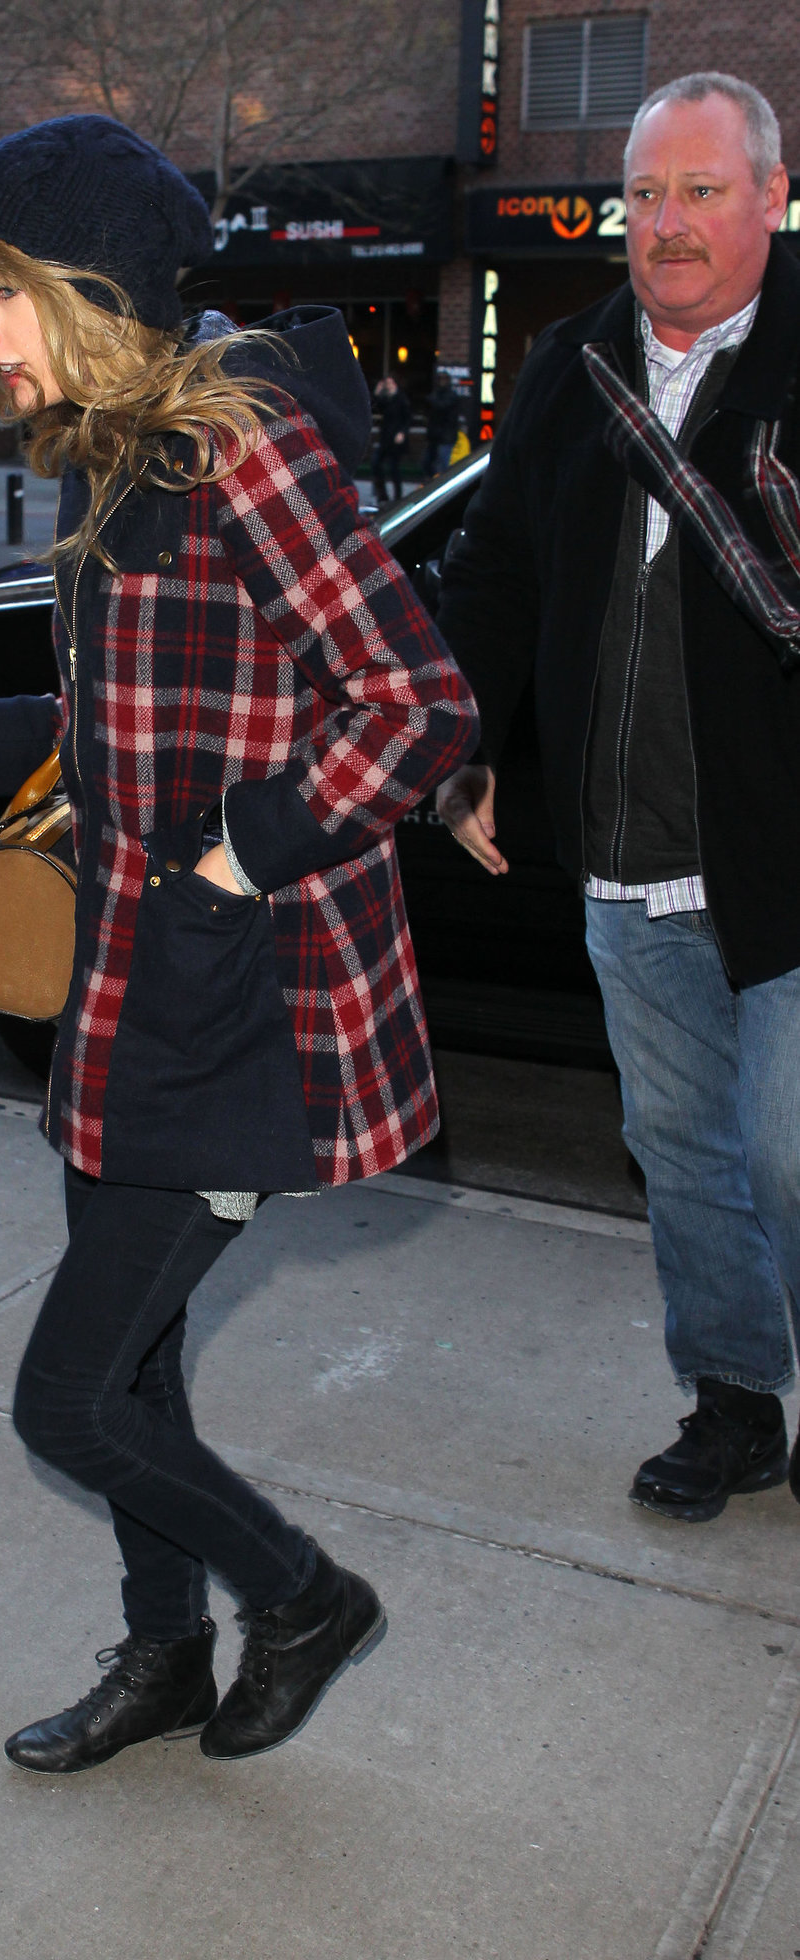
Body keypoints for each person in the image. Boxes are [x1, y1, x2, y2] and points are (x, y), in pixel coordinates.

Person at [0, 115, 478, 1774]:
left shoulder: (242, 448)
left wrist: (238, 855)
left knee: (65, 1401)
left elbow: (419, 711)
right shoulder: (124, 449)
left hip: (234, 1011)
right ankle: (165, 1660)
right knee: (134, 1363)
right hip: (129, 988)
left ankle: (301, 1598)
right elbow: (127, 710)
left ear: (87, 284)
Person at [434, 72, 800, 1525]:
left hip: (784, 858)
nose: (665, 224)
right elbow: (493, 567)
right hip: (623, 858)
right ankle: (729, 1404)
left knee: (785, 1149)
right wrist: (457, 740)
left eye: (699, 192)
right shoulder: (567, 364)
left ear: (770, 198)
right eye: (641, 196)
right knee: (678, 1148)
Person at [371, 372, 411, 503]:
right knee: (377, 464)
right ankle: (382, 495)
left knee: (394, 468)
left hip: (396, 437)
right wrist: (377, 392)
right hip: (386, 437)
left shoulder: (401, 399)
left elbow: (407, 418)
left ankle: (397, 496)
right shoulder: (386, 399)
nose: (388, 386)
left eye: (390, 383)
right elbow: (376, 407)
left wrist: (402, 433)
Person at [423, 372, 461, 476]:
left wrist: (431, 400)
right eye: (440, 379)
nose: (441, 382)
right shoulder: (436, 394)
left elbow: (442, 407)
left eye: (444, 380)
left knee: (442, 465)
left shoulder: (451, 396)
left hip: (446, 435)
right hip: (434, 436)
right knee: (427, 463)